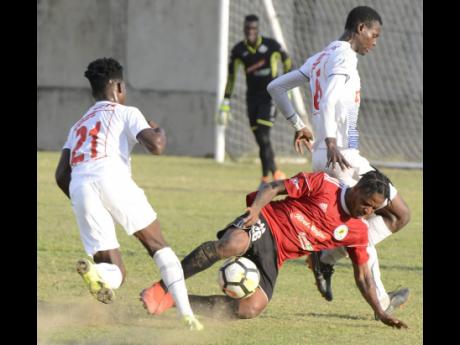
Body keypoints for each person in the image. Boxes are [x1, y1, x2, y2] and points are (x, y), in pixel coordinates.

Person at [266, 6, 410, 318]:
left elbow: (275, 87)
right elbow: (331, 96)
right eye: (374, 35)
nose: (375, 41)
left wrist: (298, 125)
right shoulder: (344, 56)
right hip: (340, 155)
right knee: (376, 221)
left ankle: (326, 258)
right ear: (360, 28)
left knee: (398, 214)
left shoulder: (319, 57)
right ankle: (380, 302)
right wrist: (331, 138)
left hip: (330, 154)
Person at [139, 169, 407, 329]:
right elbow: (273, 187)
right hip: (266, 222)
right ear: (357, 188)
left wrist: (381, 312)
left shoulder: (357, 231)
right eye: (367, 203)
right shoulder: (325, 184)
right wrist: (255, 211)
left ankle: (175, 300)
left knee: (251, 308)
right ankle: (163, 286)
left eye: (374, 209)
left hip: (277, 254)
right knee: (231, 245)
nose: (368, 211)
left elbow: (363, 276)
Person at [54, 57, 203, 331]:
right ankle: (187, 316)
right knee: (158, 246)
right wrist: (159, 129)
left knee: (115, 270)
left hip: (80, 187)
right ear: (119, 86)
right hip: (113, 178)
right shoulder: (127, 112)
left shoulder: (78, 126)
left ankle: (96, 272)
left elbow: (61, 175)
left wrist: (85, 202)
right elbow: (156, 146)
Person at [219, 14, 293, 186]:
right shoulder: (239, 51)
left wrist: (287, 85)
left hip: (270, 97)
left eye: (253, 29)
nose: (250, 32)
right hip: (251, 99)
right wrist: (226, 102)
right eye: (247, 29)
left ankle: (265, 179)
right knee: (260, 138)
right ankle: (276, 172)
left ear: (257, 29)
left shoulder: (271, 46)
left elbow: (287, 61)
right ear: (244, 30)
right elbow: (231, 78)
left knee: (264, 135)